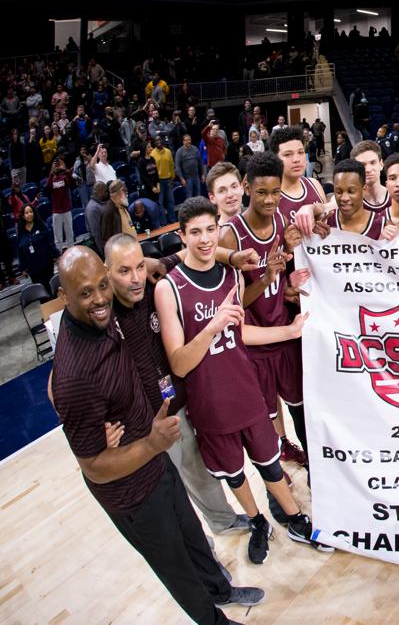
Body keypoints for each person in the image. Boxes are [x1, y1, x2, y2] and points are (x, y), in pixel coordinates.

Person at [51, 246, 263, 624]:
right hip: (131, 493)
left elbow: (156, 262)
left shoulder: (104, 309)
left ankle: (222, 590)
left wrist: (228, 258)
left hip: (155, 458)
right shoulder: (76, 376)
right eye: (86, 292)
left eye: (102, 285)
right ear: (63, 297)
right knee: (176, 565)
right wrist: (150, 442)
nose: (100, 298)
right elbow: (95, 467)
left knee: (193, 536)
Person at [154, 197, 329, 564]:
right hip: (209, 400)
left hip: (244, 388)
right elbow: (180, 364)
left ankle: (296, 518)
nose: (204, 240)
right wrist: (213, 326)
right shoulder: (168, 289)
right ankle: (256, 522)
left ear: (219, 230)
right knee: (234, 474)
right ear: (182, 235)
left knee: (269, 462)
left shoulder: (231, 274)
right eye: (195, 232)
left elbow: (242, 333)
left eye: (210, 230)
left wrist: (289, 330)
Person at [104, 234, 254, 537]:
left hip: (177, 401)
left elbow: (196, 252)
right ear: (106, 270)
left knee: (198, 467)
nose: (135, 279)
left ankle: (222, 521)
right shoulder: (102, 314)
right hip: (145, 424)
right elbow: (63, 381)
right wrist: (100, 424)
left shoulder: (155, 283)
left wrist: (233, 258)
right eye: (124, 271)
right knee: (169, 492)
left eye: (138, 268)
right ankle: (201, 553)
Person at [220, 152, 308, 471]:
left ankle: (315, 469)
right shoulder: (231, 234)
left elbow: (283, 278)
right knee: (268, 429)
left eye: (275, 192)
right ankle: (280, 489)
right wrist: (267, 278)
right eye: (262, 192)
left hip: (286, 338)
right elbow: (234, 305)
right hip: (255, 349)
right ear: (246, 187)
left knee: (302, 414)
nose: (270, 200)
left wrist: (287, 280)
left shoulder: (283, 223)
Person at [304, 159, 386, 238]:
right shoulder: (324, 223)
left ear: (364, 188)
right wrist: (313, 236)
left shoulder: (382, 226)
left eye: (351, 191)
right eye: (339, 192)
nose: (344, 198)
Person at [273, 126, 327, 223]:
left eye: (301, 152)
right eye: (288, 154)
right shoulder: (271, 198)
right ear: (275, 158)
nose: (296, 159)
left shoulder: (314, 184)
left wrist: (316, 209)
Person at [16, 204, 59, 293]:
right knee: (41, 292)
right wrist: (22, 268)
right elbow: (20, 250)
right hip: (33, 269)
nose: (29, 214)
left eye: (31, 212)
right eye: (27, 213)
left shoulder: (41, 225)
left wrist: (56, 255)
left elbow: (50, 242)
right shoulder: (21, 231)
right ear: (23, 216)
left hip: (46, 264)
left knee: (51, 289)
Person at [48, 158, 75, 252]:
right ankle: (59, 255)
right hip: (56, 211)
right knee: (58, 237)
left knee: (70, 235)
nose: (57, 166)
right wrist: (51, 172)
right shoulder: (51, 179)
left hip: (66, 209)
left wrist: (64, 169)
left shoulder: (64, 177)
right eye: (56, 164)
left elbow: (71, 182)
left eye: (58, 164)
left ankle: (72, 254)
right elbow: (47, 188)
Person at [99, 180, 135, 252]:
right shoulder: (108, 212)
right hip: (123, 252)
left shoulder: (123, 206)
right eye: (124, 191)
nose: (127, 193)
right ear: (118, 193)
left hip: (132, 248)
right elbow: (107, 240)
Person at [150, 135, 176, 222]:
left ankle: (173, 221)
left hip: (168, 179)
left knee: (170, 201)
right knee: (160, 203)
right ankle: (164, 223)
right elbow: (152, 170)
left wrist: (172, 177)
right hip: (159, 181)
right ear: (154, 143)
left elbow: (172, 165)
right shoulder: (152, 154)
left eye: (160, 140)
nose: (159, 142)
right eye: (156, 141)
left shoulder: (168, 151)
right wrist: (154, 183)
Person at [175, 134, 206, 200]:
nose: (188, 141)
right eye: (186, 140)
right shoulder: (179, 152)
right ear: (183, 142)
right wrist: (181, 178)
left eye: (189, 140)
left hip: (196, 176)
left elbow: (200, 162)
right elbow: (177, 166)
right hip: (187, 178)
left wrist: (203, 174)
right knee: (189, 196)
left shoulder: (195, 149)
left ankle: (198, 209)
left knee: (198, 195)